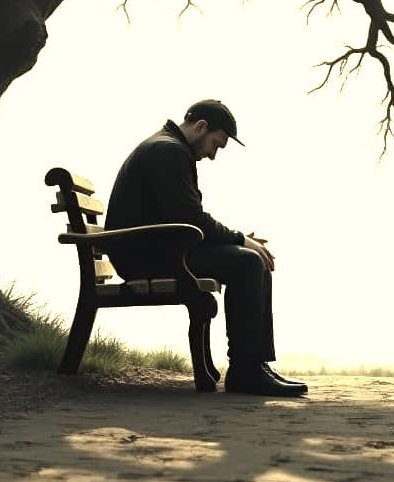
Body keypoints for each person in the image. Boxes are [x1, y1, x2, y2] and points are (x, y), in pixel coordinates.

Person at [105, 99, 307, 397]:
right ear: (201, 127)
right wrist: (238, 238)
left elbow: (185, 217)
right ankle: (245, 371)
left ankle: (255, 365)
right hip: (145, 257)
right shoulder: (168, 151)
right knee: (248, 262)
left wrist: (236, 240)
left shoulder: (169, 147)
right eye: (216, 144)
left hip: (155, 248)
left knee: (253, 260)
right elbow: (190, 218)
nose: (213, 155)